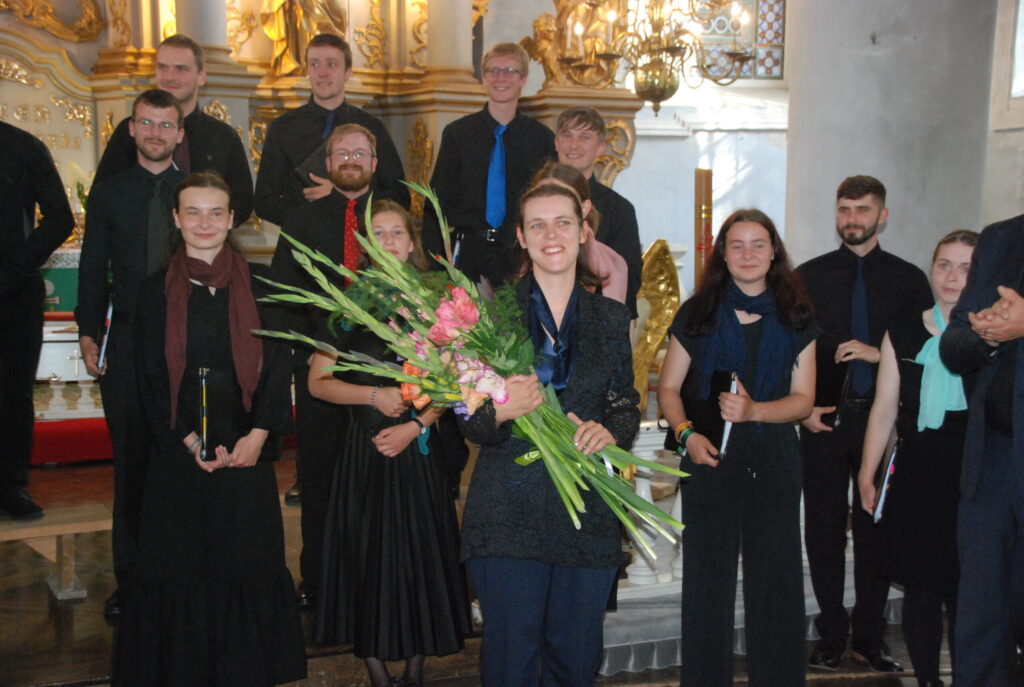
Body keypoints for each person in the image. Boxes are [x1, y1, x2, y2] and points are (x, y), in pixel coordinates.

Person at [114, 172, 306, 686]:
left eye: (216, 212)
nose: (205, 223)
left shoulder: (264, 287)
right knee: (179, 566)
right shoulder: (154, 292)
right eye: (193, 212)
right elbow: (150, 376)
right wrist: (188, 441)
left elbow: (277, 366)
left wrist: (259, 436)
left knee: (243, 563)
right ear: (176, 219)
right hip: (179, 455)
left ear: (231, 219)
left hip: (245, 451)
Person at [459, 184, 639, 685]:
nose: (551, 234)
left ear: (583, 231)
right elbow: (468, 422)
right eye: (537, 225)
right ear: (521, 236)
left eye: (563, 222)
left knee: (575, 661)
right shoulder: (492, 317)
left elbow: (625, 404)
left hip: (585, 510)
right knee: (511, 661)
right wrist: (501, 412)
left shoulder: (611, 317)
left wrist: (609, 431)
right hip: (506, 513)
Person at [307, 199, 470, 687]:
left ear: (411, 240)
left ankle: (416, 669)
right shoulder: (347, 306)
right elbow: (318, 382)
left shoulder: (435, 302)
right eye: (378, 233)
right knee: (367, 558)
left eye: (397, 232)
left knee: (421, 556)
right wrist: (372, 395)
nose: (389, 241)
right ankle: (376, 671)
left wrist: (417, 425)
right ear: (365, 244)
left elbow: (455, 381)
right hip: (366, 451)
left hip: (419, 449)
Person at [657, 209, 817, 686]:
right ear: (723, 254)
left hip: (774, 458)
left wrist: (754, 411)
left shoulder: (796, 314)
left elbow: (804, 400)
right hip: (709, 456)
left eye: (758, 244)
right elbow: (668, 388)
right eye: (737, 245)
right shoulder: (698, 312)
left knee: (776, 583)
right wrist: (687, 435)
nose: (748, 254)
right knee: (707, 584)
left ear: (773, 252)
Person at [798, 175, 931, 672]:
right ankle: (832, 633)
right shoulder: (807, 276)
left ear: (883, 215)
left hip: (886, 424)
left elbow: (926, 348)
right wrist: (801, 408)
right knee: (824, 530)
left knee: (878, 526)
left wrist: (880, 353)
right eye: (845, 209)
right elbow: (792, 348)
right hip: (823, 421)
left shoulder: (909, 279)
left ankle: (870, 637)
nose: (852, 219)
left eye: (863, 209)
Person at [77, 88, 186, 619]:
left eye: (165, 125)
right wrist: (87, 330)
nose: (155, 133)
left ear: (179, 134)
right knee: (133, 464)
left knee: (184, 462)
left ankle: (184, 574)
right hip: (126, 341)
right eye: (146, 123)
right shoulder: (110, 192)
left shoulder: (197, 192)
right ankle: (133, 580)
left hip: (186, 342)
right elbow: (92, 266)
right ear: (131, 129)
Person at [857, 230, 978, 687]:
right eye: (944, 265)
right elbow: (884, 409)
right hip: (917, 474)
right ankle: (927, 680)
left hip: (973, 475)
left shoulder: (991, 333)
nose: (952, 277)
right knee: (921, 589)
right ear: (932, 269)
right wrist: (867, 474)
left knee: (968, 589)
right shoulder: (903, 329)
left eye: (965, 268)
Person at [269, 122, 379, 608]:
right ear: (328, 164)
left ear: (374, 163)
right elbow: (282, 292)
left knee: (378, 475)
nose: (351, 160)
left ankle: (377, 573)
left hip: (382, 369)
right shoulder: (301, 220)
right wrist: (306, 351)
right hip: (320, 366)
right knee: (320, 475)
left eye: (360, 153)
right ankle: (318, 578)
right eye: (342, 153)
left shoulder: (391, 218)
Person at [940, 215, 1024, 687]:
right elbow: (954, 344)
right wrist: (985, 334)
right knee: (981, 616)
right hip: (992, 457)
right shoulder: (1000, 238)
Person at [422, 42, 555, 285]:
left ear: (523, 79)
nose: (500, 77)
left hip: (522, 253)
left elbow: (549, 201)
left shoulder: (541, 139)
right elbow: (437, 201)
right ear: (483, 78)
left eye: (510, 71)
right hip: (468, 251)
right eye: (493, 71)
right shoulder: (458, 134)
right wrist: (437, 264)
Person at [93, 34, 254, 226]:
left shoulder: (223, 137)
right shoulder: (130, 131)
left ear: (201, 76)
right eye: (162, 67)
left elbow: (242, 203)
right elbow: (103, 196)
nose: (169, 77)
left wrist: (206, 229)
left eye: (181, 69)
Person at [255, 32, 408, 228]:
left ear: (348, 72)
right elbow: (264, 202)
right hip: (303, 240)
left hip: (362, 239)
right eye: (314, 64)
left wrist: (343, 198)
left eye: (332, 64)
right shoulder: (282, 128)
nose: (322, 73)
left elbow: (400, 196)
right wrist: (309, 218)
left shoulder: (372, 127)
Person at [0, 122, 74, 520]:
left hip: (13, 291)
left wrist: (14, 269)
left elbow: (61, 218)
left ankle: (9, 486)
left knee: (13, 393)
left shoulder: (23, 147)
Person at [554, 106, 642, 318]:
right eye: (567, 135)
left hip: (598, 317)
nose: (574, 145)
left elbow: (629, 277)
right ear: (556, 143)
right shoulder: (534, 202)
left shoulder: (619, 209)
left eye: (585, 137)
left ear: (601, 147)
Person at [528, 161, 630, 309]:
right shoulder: (515, 261)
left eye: (564, 198)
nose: (552, 207)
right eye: (543, 196)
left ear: (584, 208)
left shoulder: (612, 266)